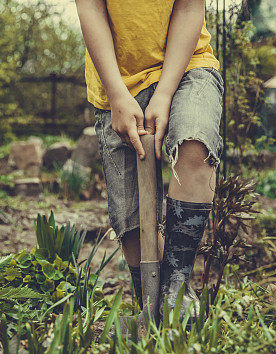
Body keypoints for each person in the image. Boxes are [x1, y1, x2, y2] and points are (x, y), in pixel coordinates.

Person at [75, 0, 222, 318]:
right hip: (117, 82)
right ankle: (151, 311)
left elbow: (188, 8)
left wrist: (165, 93)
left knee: (194, 140)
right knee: (130, 222)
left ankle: (177, 286)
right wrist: (116, 95)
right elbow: (91, 9)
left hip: (187, 68)